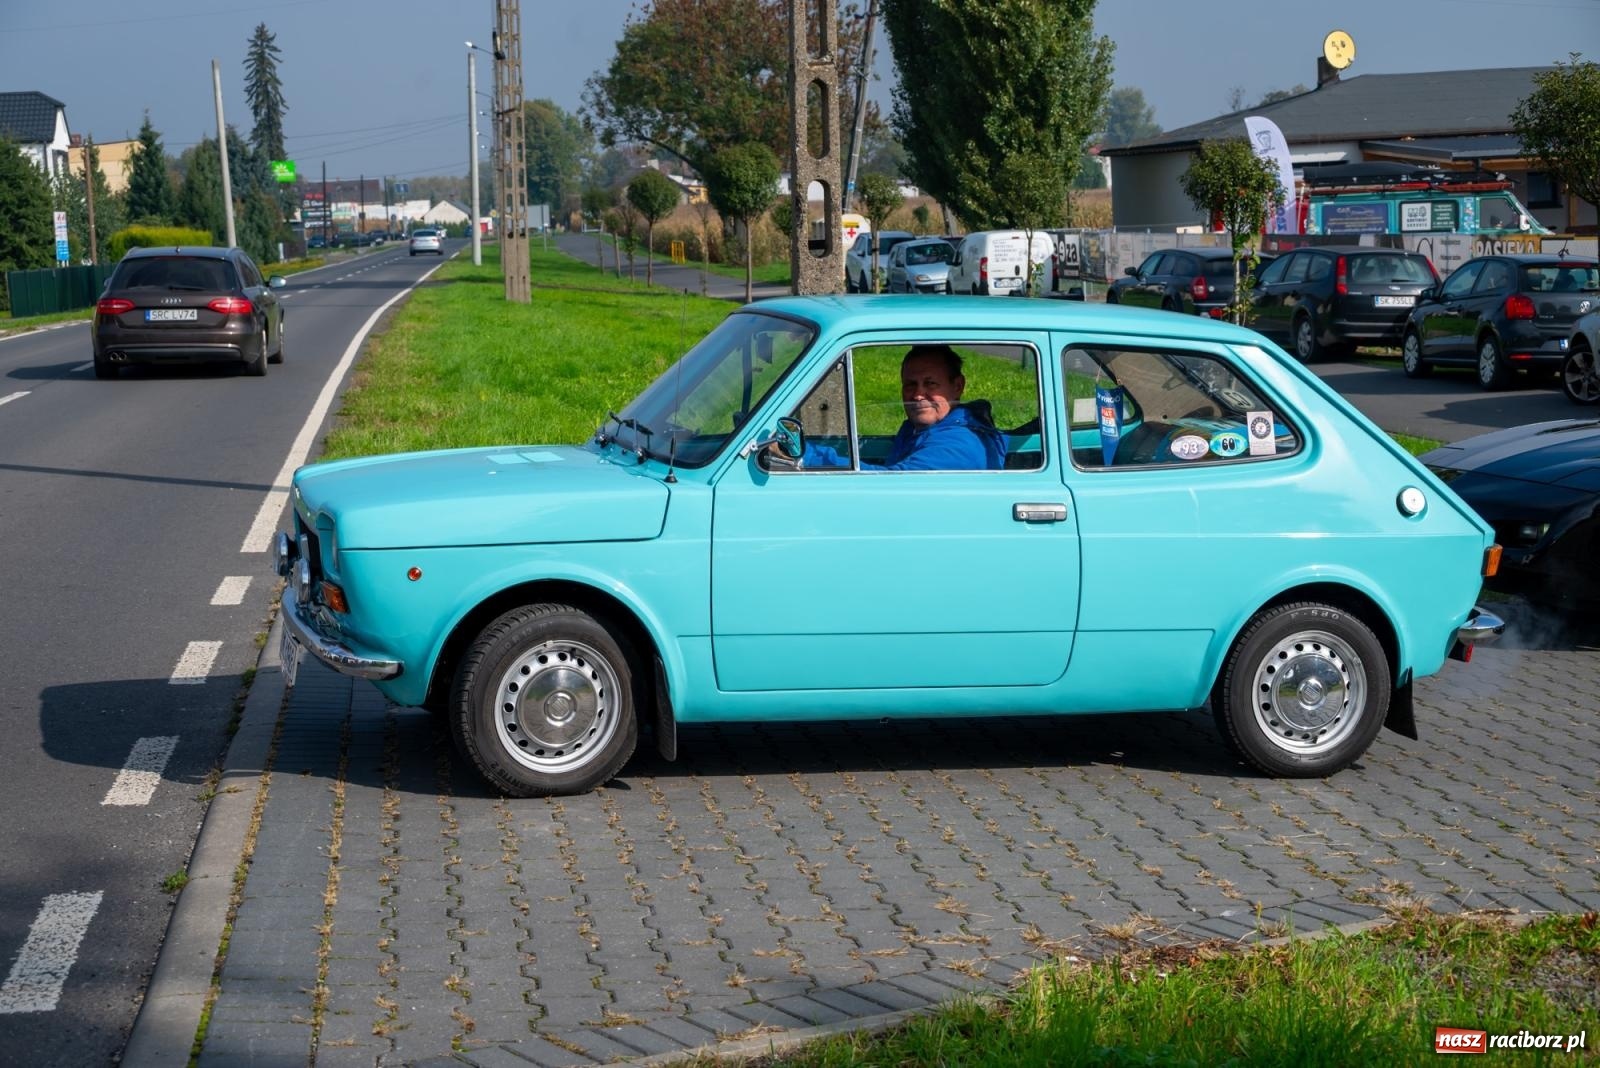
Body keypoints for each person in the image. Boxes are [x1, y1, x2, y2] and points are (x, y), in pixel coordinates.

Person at [788, 345, 1006, 471]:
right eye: (910, 384)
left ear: (957, 386)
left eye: (930, 384)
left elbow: (889, 483)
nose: (918, 394)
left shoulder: (957, 445)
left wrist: (805, 457)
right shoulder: (918, 429)